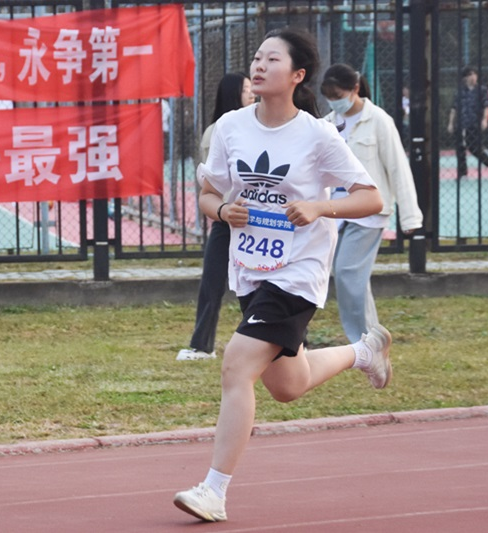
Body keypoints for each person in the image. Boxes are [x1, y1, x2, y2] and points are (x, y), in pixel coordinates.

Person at [172, 28, 393, 523]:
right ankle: (365, 351)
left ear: (297, 75)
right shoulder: (230, 127)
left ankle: (214, 490)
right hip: (251, 268)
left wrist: (318, 207)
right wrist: (223, 210)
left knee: (236, 365)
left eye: (272, 59)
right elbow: (208, 194)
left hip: (298, 272)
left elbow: (371, 198)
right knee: (288, 384)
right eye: (257, 57)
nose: (259, 65)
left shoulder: (317, 135)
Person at [320, 63, 423, 343]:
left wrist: (410, 217)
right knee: (353, 277)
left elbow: (397, 168)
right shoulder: (327, 124)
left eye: (338, 95)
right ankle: (373, 340)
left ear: (355, 89)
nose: (334, 102)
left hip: (369, 212)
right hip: (336, 210)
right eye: (329, 96)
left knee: (347, 272)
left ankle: (363, 342)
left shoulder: (379, 120)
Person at [176, 72, 256, 361]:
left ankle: (292, 341)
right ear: (233, 94)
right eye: (246, 89)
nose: (252, 93)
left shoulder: (262, 126)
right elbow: (212, 183)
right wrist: (222, 210)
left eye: (252, 88)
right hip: (227, 217)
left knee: (268, 281)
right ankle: (202, 345)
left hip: (256, 219)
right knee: (212, 281)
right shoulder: (219, 131)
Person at [447, 65, 488, 179]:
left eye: (474, 74)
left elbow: (486, 106)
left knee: (473, 147)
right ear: (465, 78)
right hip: (461, 123)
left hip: (474, 123)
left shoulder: (481, 90)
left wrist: (484, 120)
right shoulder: (460, 91)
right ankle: (462, 173)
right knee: (460, 148)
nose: (473, 77)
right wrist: (451, 123)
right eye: (470, 75)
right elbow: (454, 108)